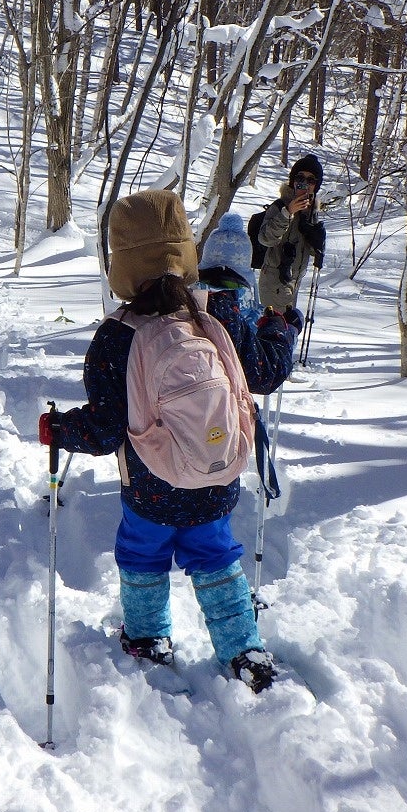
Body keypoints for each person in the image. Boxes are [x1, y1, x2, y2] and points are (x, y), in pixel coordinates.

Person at [39, 191, 299, 693]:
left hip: (151, 486)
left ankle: (147, 639)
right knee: (216, 555)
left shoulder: (116, 337)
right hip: (216, 477)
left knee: (141, 555)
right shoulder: (214, 314)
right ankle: (244, 648)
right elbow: (263, 374)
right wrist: (282, 330)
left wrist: (59, 429)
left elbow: (106, 428)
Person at [252, 154, 327, 311]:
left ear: (316, 185)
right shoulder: (280, 206)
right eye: (300, 178)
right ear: (293, 181)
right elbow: (265, 238)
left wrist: (317, 238)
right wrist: (288, 212)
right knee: (275, 331)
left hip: (293, 281)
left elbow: (313, 251)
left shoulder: (311, 211)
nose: (304, 183)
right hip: (274, 280)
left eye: (311, 180)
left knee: (288, 331)